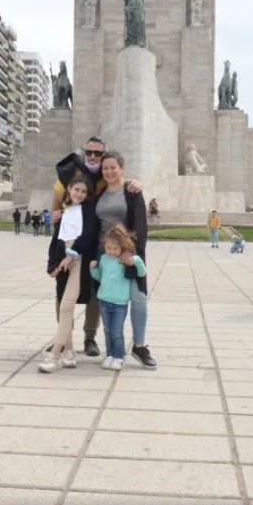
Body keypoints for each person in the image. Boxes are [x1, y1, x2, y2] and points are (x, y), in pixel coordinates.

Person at [51, 136, 143, 357]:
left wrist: (136, 182)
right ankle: (64, 339)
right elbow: (56, 209)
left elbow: (118, 181)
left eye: (97, 154)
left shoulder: (104, 177)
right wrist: (53, 216)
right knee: (63, 293)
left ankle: (90, 337)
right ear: (84, 153)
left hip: (96, 244)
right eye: (89, 152)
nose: (92, 157)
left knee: (95, 291)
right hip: (70, 243)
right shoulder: (67, 176)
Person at [96, 151, 156, 368]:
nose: (109, 171)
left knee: (138, 299)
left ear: (121, 169)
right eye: (105, 168)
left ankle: (140, 345)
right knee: (110, 301)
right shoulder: (99, 192)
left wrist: (133, 253)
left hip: (128, 254)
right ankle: (113, 350)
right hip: (106, 255)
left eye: (113, 167)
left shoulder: (131, 191)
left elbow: (141, 224)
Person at [39, 176, 98, 373]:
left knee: (66, 306)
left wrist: (71, 256)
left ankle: (56, 355)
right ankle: (70, 351)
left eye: (83, 191)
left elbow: (88, 234)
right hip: (62, 259)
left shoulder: (89, 210)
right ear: (69, 190)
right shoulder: (64, 212)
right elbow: (56, 239)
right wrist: (52, 265)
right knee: (63, 304)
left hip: (77, 259)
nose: (79, 194)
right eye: (76, 189)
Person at [90, 224, 146, 371]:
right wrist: (92, 269)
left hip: (119, 303)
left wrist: (137, 261)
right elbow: (100, 277)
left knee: (116, 331)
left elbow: (141, 273)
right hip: (104, 300)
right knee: (107, 330)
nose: (112, 251)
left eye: (115, 248)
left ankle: (118, 356)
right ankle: (109, 354)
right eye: (109, 248)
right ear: (105, 246)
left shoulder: (125, 260)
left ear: (122, 247)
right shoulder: (103, 258)